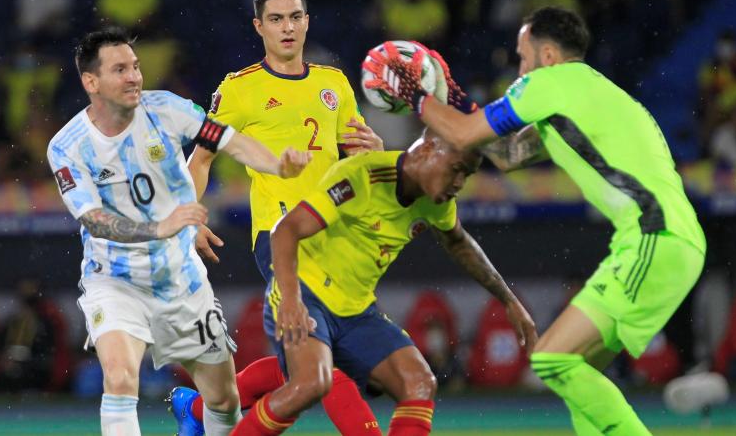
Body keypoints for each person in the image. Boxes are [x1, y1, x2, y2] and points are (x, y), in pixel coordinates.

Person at [365, 6, 706, 435]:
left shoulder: (547, 83)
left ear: (547, 55)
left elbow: (464, 135)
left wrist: (416, 93)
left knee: (551, 358)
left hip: (654, 237)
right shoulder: (588, 96)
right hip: (669, 239)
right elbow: (505, 155)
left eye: (523, 57)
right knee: (576, 369)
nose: (519, 69)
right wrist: (451, 95)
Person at [46, 27, 310, 436]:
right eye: (120, 69)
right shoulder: (68, 146)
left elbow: (229, 141)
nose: (134, 76)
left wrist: (278, 165)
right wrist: (160, 227)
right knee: (118, 379)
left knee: (223, 399)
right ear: (90, 81)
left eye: (135, 66)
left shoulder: (167, 109)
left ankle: (195, 416)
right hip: (115, 279)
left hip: (180, 278)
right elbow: (92, 218)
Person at [170, 0, 385, 436]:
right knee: (325, 354)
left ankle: (195, 412)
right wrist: (189, 216)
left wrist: (376, 150)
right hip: (280, 233)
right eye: (276, 19)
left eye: (295, 17)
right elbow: (201, 158)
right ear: (259, 27)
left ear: (307, 21)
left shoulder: (335, 84)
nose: (287, 27)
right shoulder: (238, 90)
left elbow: (360, 162)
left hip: (337, 236)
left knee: (308, 361)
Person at [230, 132, 537, 435]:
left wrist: (508, 299)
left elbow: (459, 244)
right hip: (306, 293)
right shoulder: (362, 176)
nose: (459, 183)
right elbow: (285, 230)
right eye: (456, 169)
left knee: (418, 382)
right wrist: (290, 299)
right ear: (428, 149)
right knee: (310, 384)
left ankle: (201, 404)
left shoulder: (435, 200)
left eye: (467, 175)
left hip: (356, 311)